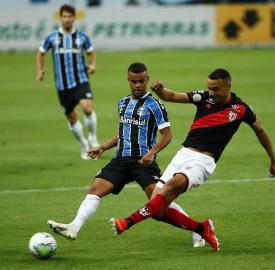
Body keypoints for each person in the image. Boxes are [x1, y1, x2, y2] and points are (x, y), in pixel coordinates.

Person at [110, 68, 275, 252]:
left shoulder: (241, 109)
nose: (211, 93)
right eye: (209, 88)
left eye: (215, 89)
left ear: (228, 86)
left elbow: (260, 130)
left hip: (204, 161)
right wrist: (161, 91)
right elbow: (172, 95)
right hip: (182, 155)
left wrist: (273, 160)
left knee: (173, 185)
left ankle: (127, 222)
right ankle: (201, 228)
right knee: (158, 212)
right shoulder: (203, 97)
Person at [47, 63, 205, 248]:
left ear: (147, 80)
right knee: (95, 190)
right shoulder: (123, 103)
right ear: (128, 81)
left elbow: (167, 135)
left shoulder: (155, 105)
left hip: (143, 161)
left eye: (141, 81)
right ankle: (73, 227)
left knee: (159, 203)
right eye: (133, 81)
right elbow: (123, 132)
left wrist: (152, 153)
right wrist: (103, 147)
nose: (137, 85)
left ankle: (198, 230)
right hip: (121, 159)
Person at [36, 4, 99, 159]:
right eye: (64, 16)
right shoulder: (52, 37)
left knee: (87, 107)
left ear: (74, 18)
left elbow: (90, 52)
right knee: (71, 117)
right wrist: (40, 70)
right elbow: (40, 53)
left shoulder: (82, 37)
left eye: (70, 16)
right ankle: (83, 144)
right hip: (62, 85)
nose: (67, 19)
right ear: (60, 18)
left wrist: (92, 65)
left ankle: (92, 137)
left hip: (81, 79)